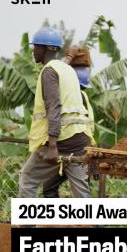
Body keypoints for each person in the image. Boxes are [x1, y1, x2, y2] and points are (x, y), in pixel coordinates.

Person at [18, 27, 94, 198]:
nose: (33, 50)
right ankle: (95, 224)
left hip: (60, 141)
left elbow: (54, 107)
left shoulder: (49, 71)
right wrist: (70, 56)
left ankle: (26, 224)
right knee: (82, 192)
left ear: (47, 48)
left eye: (36, 46)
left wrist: (52, 146)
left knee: (28, 179)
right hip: (79, 140)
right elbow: (60, 67)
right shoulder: (67, 70)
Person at [42, 66, 95, 198]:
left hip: (75, 149)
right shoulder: (82, 98)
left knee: (80, 193)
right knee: (50, 187)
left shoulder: (77, 99)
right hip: (72, 149)